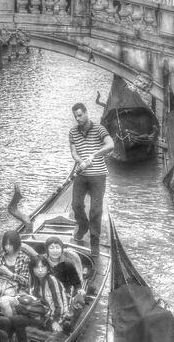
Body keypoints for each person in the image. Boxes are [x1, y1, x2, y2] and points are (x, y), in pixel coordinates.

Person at [69, 103, 114, 256]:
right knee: (76, 205)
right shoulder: (73, 132)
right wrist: (80, 161)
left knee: (95, 210)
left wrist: (94, 155)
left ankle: (94, 242)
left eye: (80, 115)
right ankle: (83, 226)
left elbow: (110, 145)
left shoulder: (99, 129)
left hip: (98, 176)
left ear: (86, 113)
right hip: (81, 174)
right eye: (75, 116)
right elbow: (74, 152)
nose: (78, 118)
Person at [0, 230, 30, 316]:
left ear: (16, 244)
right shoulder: (0, 256)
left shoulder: (24, 259)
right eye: (5, 244)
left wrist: (8, 273)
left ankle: (8, 322)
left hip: (17, 290)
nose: (7, 247)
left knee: (4, 299)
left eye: (10, 245)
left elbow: (26, 282)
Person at [29, 255, 69, 332]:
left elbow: (60, 305)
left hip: (55, 316)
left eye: (43, 267)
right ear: (32, 269)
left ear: (47, 268)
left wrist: (55, 321)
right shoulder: (34, 280)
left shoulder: (52, 281)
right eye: (37, 267)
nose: (40, 270)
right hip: (42, 315)